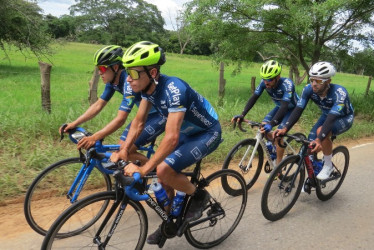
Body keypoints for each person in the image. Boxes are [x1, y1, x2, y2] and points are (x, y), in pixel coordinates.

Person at [110, 41, 222, 245]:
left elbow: (170, 138)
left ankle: (199, 195)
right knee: (162, 180)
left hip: (207, 132)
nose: (129, 79)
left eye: (134, 73)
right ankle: (168, 223)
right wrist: (124, 150)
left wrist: (144, 170)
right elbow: (139, 122)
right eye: (127, 72)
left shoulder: (174, 90)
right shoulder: (147, 89)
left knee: (162, 170)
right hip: (188, 134)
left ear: (152, 72)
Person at [60, 45, 166, 164]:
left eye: (103, 69)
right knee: (120, 150)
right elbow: (98, 105)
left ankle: (158, 175)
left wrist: (95, 137)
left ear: (115, 67)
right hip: (145, 115)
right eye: (98, 69)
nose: (99, 73)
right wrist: (74, 123)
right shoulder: (112, 82)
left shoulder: (128, 81)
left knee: (126, 151)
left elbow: (121, 119)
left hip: (159, 116)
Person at [275, 61, 354, 180]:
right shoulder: (308, 89)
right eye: (312, 79)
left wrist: (319, 139)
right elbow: (298, 110)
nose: (313, 84)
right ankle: (314, 174)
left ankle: (328, 166)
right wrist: (285, 128)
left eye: (318, 81)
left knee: (321, 133)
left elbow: (332, 119)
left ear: (328, 81)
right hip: (327, 114)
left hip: (344, 117)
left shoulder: (339, 93)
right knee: (309, 145)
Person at [232, 60, 299, 164]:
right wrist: (242, 114)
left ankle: (278, 166)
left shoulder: (288, 84)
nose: (266, 82)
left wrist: (272, 124)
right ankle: (273, 146)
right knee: (263, 126)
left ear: (278, 76)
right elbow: (254, 97)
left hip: (292, 109)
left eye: (269, 79)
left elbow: (285, 106)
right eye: (264, 79)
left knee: (278, 135)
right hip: (279, 107)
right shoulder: (264, 83)